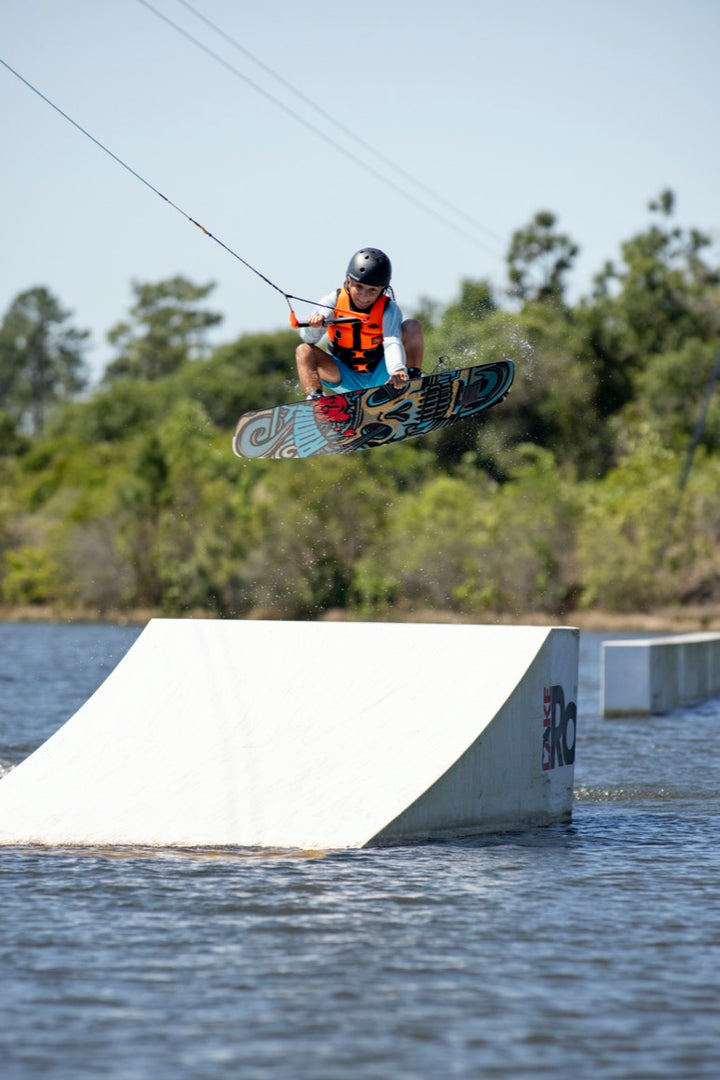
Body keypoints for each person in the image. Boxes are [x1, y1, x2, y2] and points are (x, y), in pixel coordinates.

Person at [295, 248, 424, 400]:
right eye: (359, 287)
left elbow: (392, 342)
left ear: (383, 290)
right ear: (349, 281)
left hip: (382, 374)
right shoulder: (332, 301)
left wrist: (397, 369)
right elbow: (308, 339)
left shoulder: (389, 309)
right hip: (343, 376)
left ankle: (414, 379)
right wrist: (315, 327)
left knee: (412, 325)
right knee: (304, 350)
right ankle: (315, 399)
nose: (364, 296)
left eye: (372, 290)